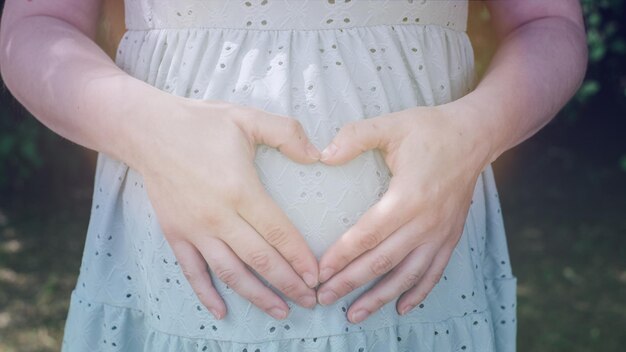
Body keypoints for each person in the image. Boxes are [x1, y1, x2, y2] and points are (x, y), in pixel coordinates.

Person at [0, 0, 587, 351]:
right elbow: (37, 23)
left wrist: (472, 133)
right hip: (178, 292)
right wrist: (149, 130)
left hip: (420, 297)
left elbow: (546, 20)